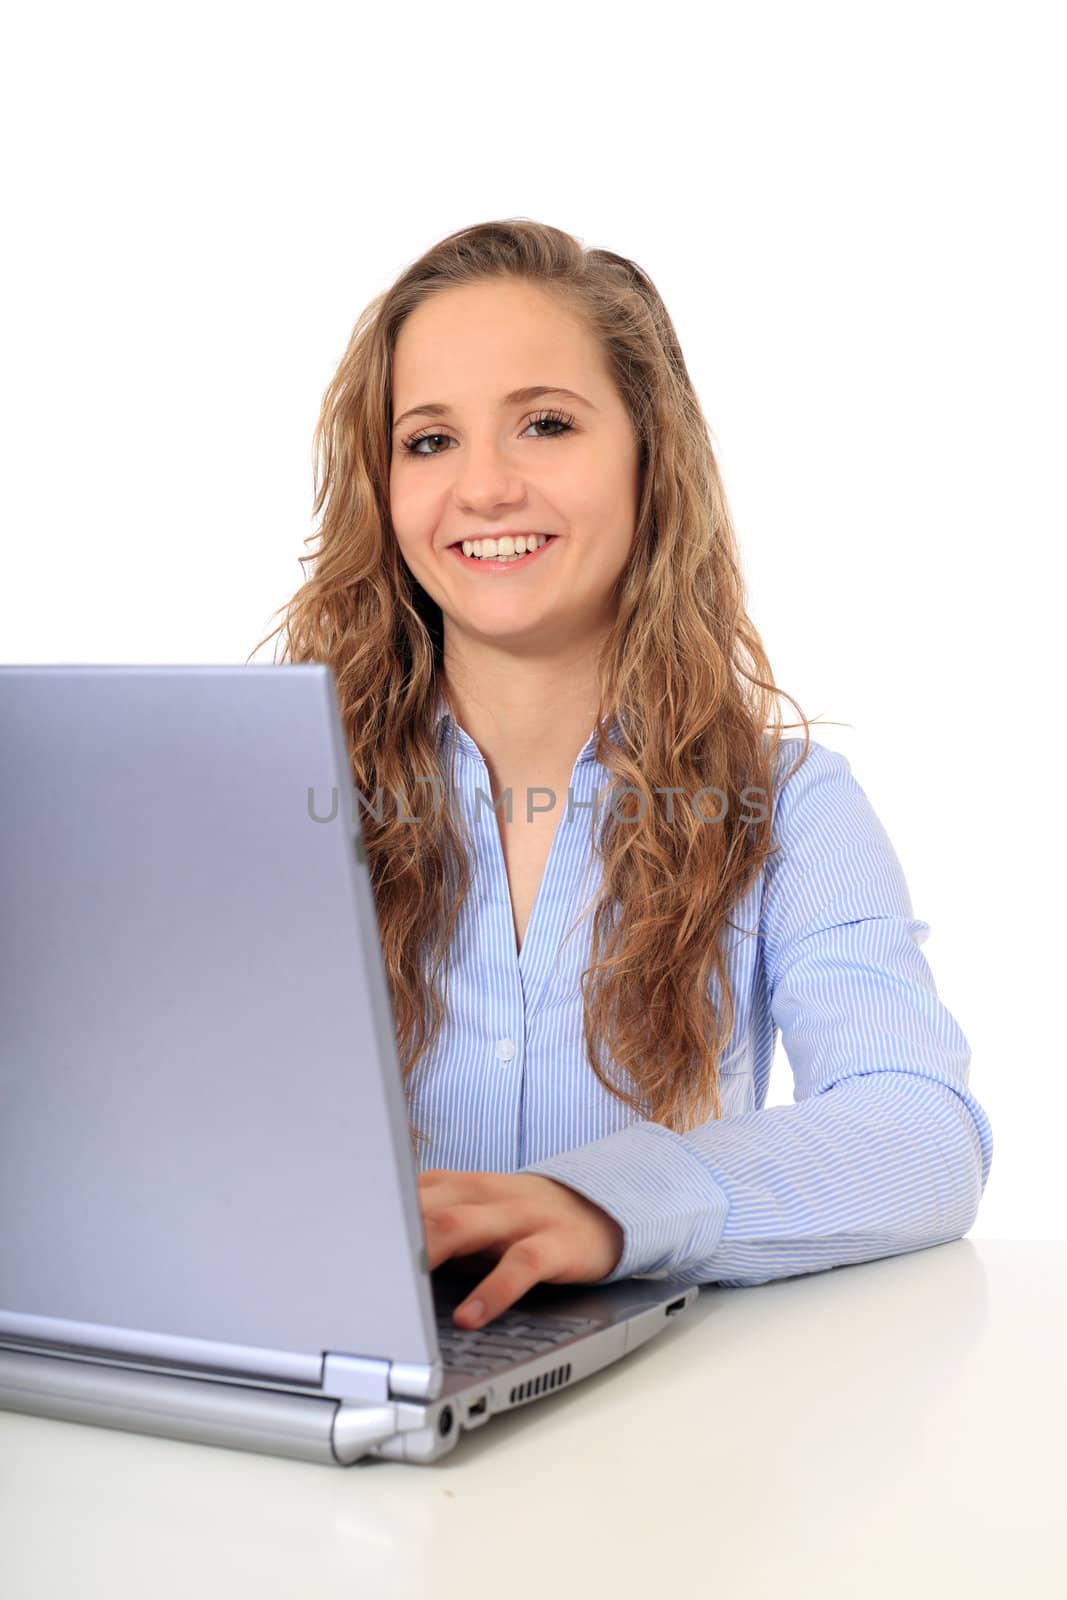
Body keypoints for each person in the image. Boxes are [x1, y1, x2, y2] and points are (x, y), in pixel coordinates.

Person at [250, 218, 993, 1332]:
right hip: (337, 1386)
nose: (484, 488)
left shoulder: (790, 806)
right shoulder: (273, 799)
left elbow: (921, 1131)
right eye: (428, 440)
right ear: (381, 486)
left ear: (650, 456)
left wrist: (606, 1204)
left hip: (657, 1442)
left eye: (543, 424)